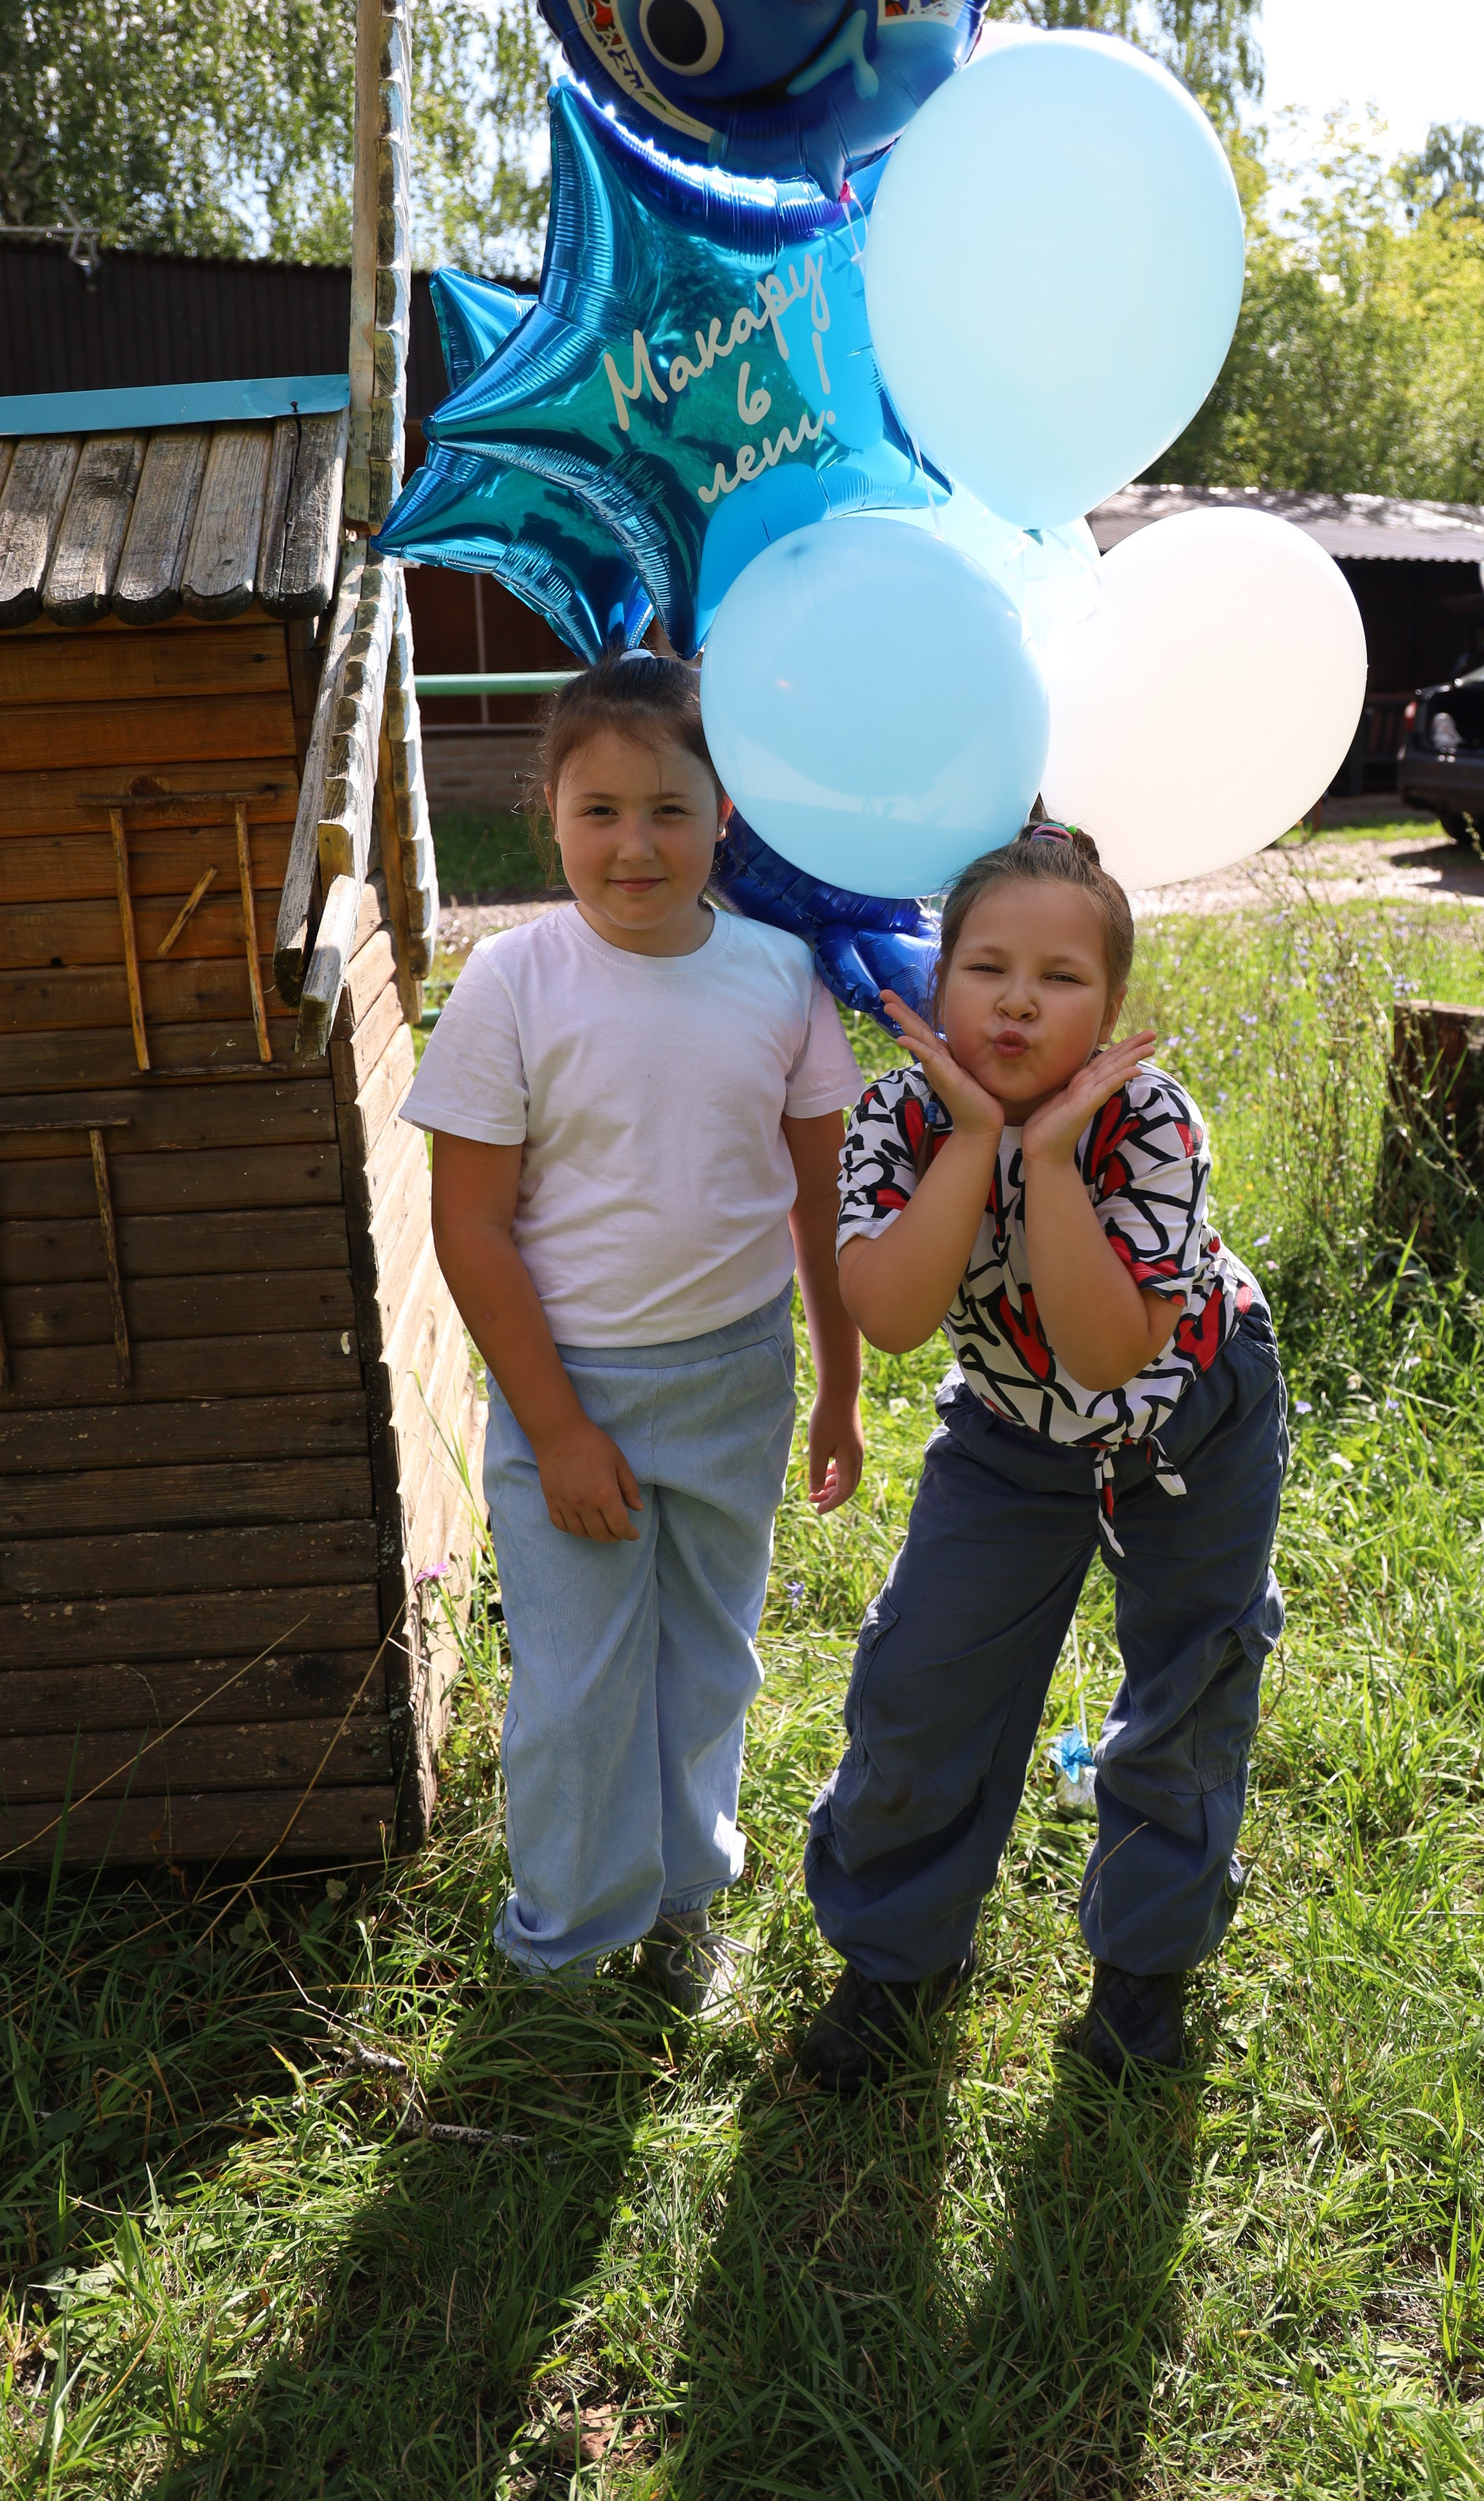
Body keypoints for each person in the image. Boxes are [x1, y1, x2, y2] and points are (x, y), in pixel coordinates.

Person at [798, 818, 1286, 2086]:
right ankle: (898, 1958)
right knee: (922, 1683)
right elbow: (896, 1321)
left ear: (1114, 1008)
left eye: (1062, 980)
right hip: (1011, 1434)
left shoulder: (1151, 1124)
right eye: (986, 969)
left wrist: (1053, 1151)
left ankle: (1143, 1969)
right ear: (935, 977)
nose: (1018, 1002)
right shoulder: (899, 1118)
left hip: (1191, 1428)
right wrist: (975, 1139)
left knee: (1188, 1688)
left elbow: (1107, 1347)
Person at [407, 652, 865, 2005]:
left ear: (727, 814)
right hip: (574, 1390)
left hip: (736, 1379)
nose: (634, 843)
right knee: (580, 1681)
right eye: (598, 809)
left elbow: (817, 1210)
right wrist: (556, 1428)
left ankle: (680, 1906)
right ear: (546, 808)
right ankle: (560, 1943)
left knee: (708, 1659)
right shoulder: (513, 984)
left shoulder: (783, 979)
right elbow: (471, 1228)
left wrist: (837, 1390)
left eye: (670, 808)